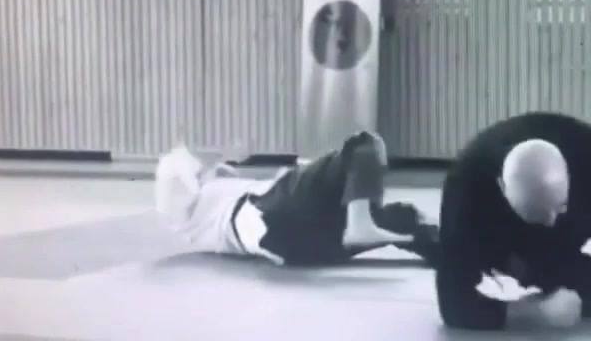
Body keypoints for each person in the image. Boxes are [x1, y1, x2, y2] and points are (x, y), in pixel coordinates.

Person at [156, 130, 438, 267]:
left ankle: (451, 250)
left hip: (300, 248)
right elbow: (175, 169)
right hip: (275, 216)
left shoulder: (211, 211)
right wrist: (196, 164)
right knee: (363, 143)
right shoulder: (192, 208)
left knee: (405, 217)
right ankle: (360, 224)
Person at [436, 112, 591, 331]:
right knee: (459, 256)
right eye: (537, 214)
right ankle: (424, 236)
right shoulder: (465, 191)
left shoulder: (585, 153)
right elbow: (453, 306)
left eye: (560, 206)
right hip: (504, 236)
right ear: (502, 187)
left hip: (573, 217)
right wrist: (531, 313)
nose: (551, 222)